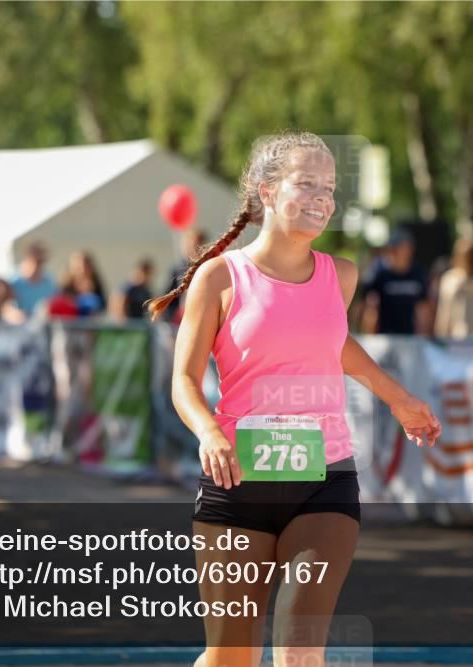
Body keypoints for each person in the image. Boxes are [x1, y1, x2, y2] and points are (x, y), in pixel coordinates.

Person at [145, 132, 441, 667]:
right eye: (307, 183)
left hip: (323, 482)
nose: (323, 197)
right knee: (230, 657)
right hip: (237, 484)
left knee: (300, 652)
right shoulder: (219, 277)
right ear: (267, 191)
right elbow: (183, 381)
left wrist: (398, 399)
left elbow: (331, 343)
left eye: (329, 187)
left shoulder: (341, 275)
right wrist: (209, 432)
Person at [360, 227, 431, 335]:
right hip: (385, 335)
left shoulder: (418, 274)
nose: (399, 253)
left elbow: (424, 307)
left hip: (411, 336)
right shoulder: (380, 275)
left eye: (403, 248)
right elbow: (370, 308)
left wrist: (423, 333)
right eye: (396, 248)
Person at [434, 236, 473, 339]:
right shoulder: (450, 280)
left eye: (471, 257)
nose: (468, 261)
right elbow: (444, 313)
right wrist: (441, 338)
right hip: (455, 340)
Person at [163, 228, 209, 324]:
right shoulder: (177, 269)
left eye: (193, 245)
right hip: (180, 321)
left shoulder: (209, 267)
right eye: (186, 245)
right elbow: (167, 297)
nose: (189, 249)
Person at [10, 241, 57, 319]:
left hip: (42, 325)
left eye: (40, 261)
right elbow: (6, 306)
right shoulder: (14, 280)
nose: (37, 264)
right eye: (34, 259)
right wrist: (13, 313)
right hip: (19, 327)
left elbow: (54, 301)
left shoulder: (49, 281)